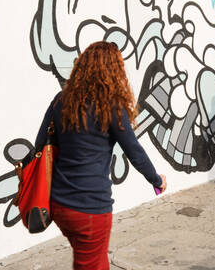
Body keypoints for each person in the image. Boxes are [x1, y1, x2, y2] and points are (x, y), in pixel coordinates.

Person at [35, 41, 166, 269]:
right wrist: (157, 180)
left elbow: (40, 145)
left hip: (59, 205)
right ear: (115, 71)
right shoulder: (112, 106)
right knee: (91, 262)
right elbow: (134, 151)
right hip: (89, 209)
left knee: (96, 260)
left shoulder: (61, 100)